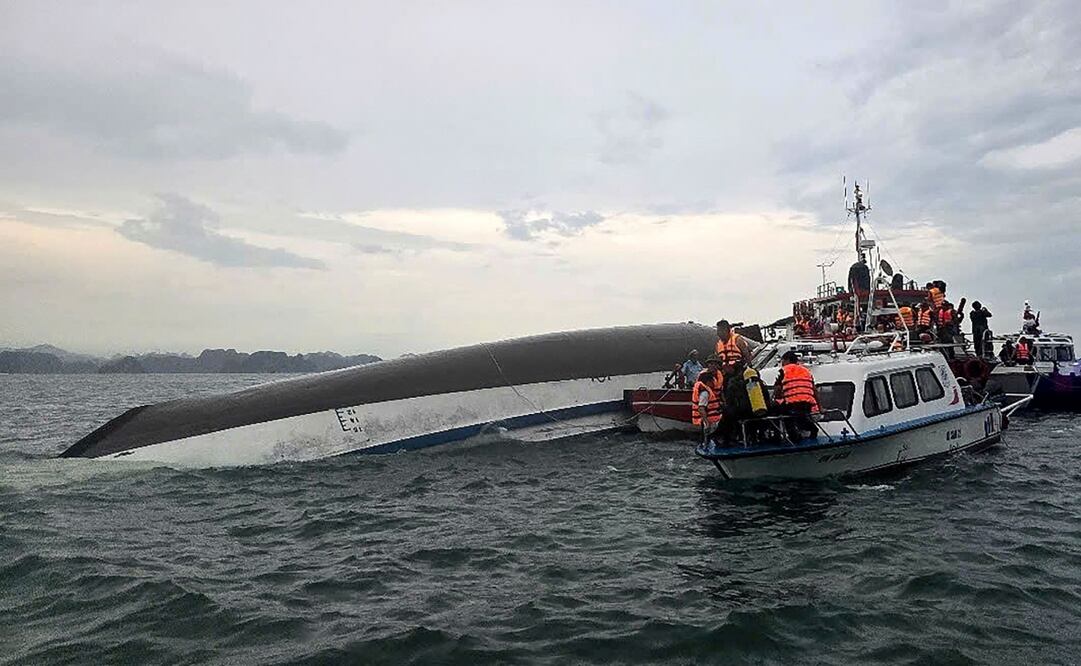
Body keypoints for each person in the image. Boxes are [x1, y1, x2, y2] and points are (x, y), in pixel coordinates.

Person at [773, 351, 820, 442]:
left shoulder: (784, 370)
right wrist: (820, 407)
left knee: (779, 413)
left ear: (787, 360)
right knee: (801, 419)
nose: (782, 363)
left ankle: (783, 437)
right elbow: (814, 390)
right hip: (807, 403)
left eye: (782, 361)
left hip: (792, 403)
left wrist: (778, 396)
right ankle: (812, 429)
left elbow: (777, 389)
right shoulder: (806, 371)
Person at [691, 366, 722, 441]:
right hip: (710, 422)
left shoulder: (706, 391)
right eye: (712, 381)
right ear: (708, 382)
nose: (713, 383)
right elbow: (701, 408)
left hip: (712, 420)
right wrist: (706, 422)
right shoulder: (705, 393)